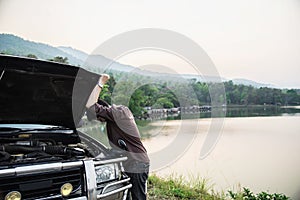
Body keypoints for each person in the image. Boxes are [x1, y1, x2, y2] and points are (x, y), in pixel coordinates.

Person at [85, 74, 150, 200]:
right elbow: (120, 146)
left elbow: (90, 106)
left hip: (137, 163)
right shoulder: (119, 116)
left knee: (138, 197)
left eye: (98, 118)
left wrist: (100, 83)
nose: (99, 121)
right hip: (137, 161)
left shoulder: (117, 113)